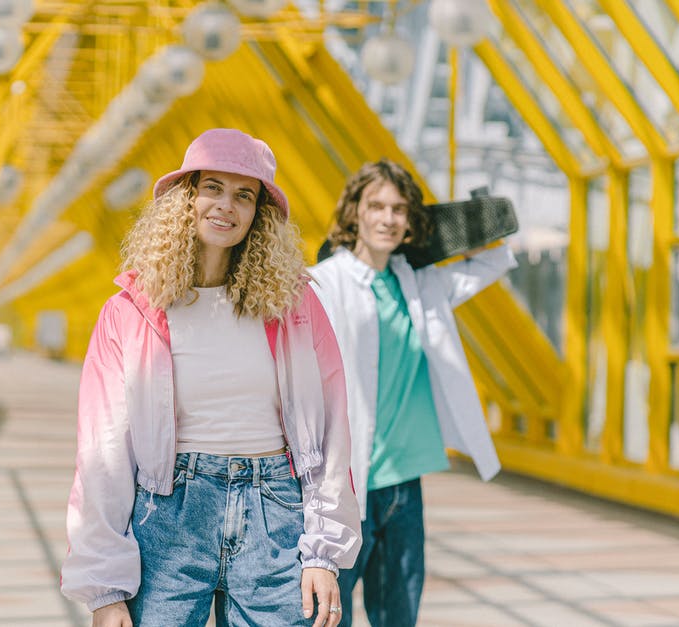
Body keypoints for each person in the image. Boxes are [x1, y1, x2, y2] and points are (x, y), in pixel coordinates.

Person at [61, 128, 361, 627]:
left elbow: (332, 427)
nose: (226, 205)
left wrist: (322, 552)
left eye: (244, 194)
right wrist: (105, 588)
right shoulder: (130, 312)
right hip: (169, 517)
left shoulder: (294, 306)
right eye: (212, 187)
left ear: (259, 213)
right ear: (186, 198)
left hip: (276, 515)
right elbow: (103, 451)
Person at [308, 159, 516, 626]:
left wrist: (431, 239)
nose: (387, 218)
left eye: (400, 209)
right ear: (354, 211)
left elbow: (494, 257)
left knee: (398, 617)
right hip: (346, 486)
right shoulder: (324, 281)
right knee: (321, 617)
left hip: (404, 483)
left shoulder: (420, 283)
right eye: (376, 205)